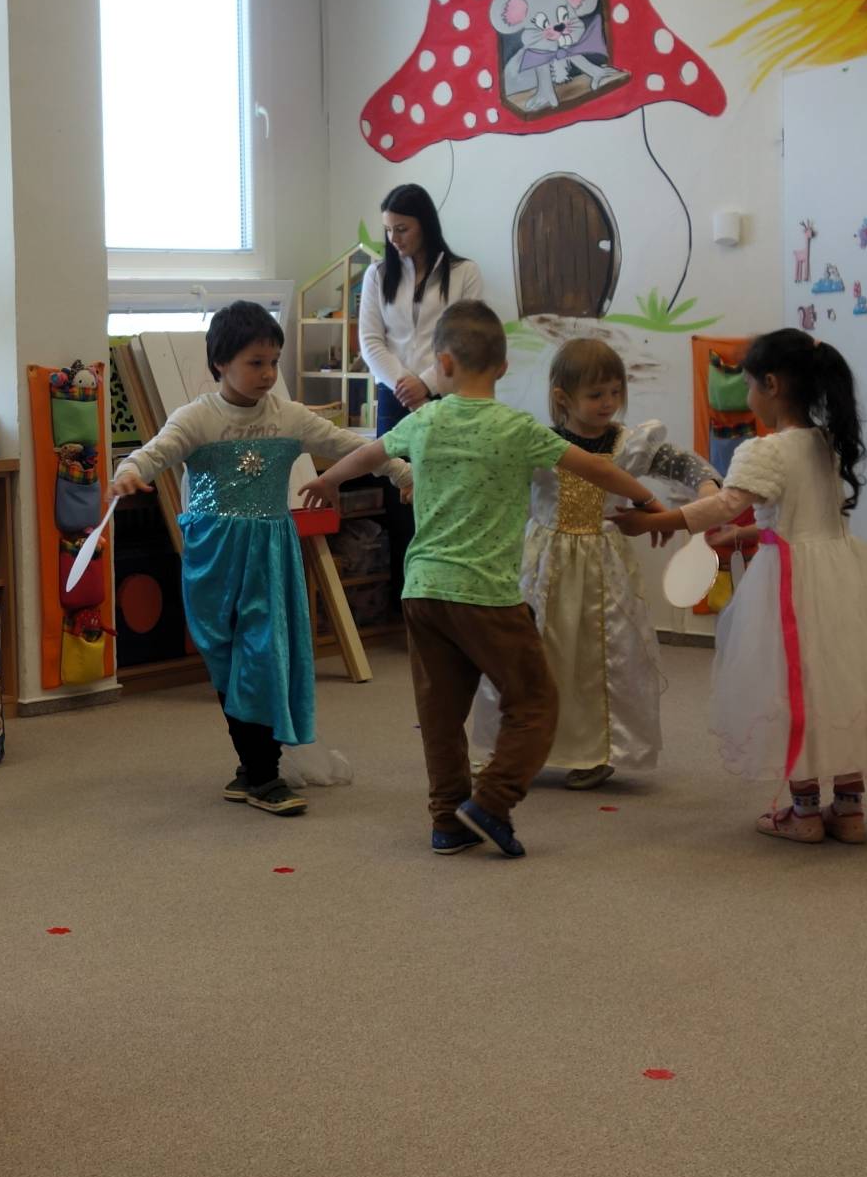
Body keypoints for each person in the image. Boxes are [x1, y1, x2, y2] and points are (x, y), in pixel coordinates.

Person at [302, 301, 661, 858]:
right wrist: (645, 498)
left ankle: (447, 821)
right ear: (502, 366)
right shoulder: (516, 429)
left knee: (441, 716)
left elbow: (368, 453)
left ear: (442, 364)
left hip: (423, 591)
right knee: (536, 703)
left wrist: (329, 484)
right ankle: (490, 802)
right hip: (487, 595)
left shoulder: (424, 420)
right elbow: (593, 466)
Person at [613, 328, 867, 843]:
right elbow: (805, 518)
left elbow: (724, 504)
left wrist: (655, 522)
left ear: (771, 385)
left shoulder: (764, 450)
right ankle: (849, 811)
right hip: (842, 576)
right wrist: (745, 534)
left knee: (791, 685)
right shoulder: (825, 442)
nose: (748, 394)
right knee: (841, 684)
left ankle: (804, 814)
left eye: (749, 384)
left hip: (792, 587)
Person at [112, 300, 413, 816]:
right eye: (256, 362)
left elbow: (350, 447)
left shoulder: (288, 416)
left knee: (263, 655)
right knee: (227, 659)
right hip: (213, 555)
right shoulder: (198, 417)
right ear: (220, 363)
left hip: (270, 554)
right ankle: (251, 766)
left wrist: (402, 472)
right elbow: (155, 452)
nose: (269, 373)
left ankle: (263, 773)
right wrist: (127, 472)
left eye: (273, 362)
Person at [469, 338, 721, 789]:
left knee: (599, 658)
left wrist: (706, 492)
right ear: (563, 397)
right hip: (542, 567)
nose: (608, 403)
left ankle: (596, 752)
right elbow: (489, 477)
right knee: (530, 653)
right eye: (596, 394)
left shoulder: (628, 444)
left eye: (615, 392)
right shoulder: (538, 442)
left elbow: (690, 467)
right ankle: (514, 746)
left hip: (603, 570)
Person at [358, 184, 487, 598]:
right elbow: (370, 340)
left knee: (449, 491)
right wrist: (403, 383)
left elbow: (468, 337)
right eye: (388, 230)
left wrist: (426, 382)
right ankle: (406, 600)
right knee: (400, 496)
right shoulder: (378, 274)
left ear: (425, 224)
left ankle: (448, 593)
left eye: (402, 229)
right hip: (394, 396)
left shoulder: (464, 272)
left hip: (447, 394)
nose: (394, 238)